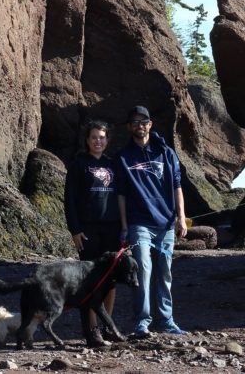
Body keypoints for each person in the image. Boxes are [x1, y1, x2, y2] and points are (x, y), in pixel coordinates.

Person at [115, 105, 188, 337]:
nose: (140, 125)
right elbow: (121, 195)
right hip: (139, 225)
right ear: (129, 127)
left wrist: (181, 218)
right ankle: (142, 321)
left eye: (143, 121)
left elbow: (177, 186)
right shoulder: (123, 157)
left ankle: (166, 320)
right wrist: (125, 226)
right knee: (143, 270)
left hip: (166, 223)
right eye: (135, 122)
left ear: (150, 124)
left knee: (164, 273)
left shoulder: (166, 153)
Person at [63, 119, 122, 345]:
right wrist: (75, 230)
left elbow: (121, 196)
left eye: (102, 137)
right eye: (94, 137)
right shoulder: (79, 164)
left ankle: (109, 327)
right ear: (87, 140)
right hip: (88, 230)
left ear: (107, 140)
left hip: (112, 228)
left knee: (110, 280)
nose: (98, 141)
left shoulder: (113, 164)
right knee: (90, 281)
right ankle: (92, 329)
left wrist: (124, 226)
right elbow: (70, 200)